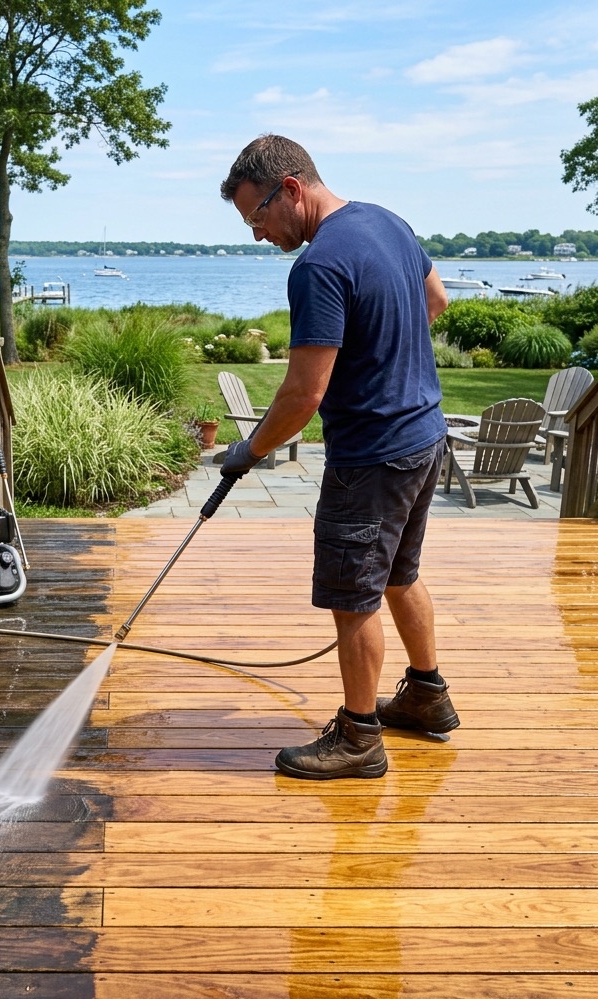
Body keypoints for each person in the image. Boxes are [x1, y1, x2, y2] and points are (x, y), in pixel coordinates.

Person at [219, 134, 460, 780]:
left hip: (372, 456)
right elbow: (435, 300)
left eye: (259, 216)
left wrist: (249, 451)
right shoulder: (388, 221)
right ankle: (427, 696)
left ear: (291, 188)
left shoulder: (319, 267)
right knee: (400, 574)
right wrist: (388, 358)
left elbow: (304, 393)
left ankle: (359, 738)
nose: (260, 234)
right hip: (424, 437)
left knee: (355, 599)